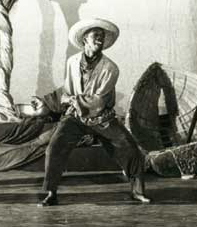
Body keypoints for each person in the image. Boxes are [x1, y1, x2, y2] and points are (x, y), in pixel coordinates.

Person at [31, 18, 151, 207]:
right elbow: (67, 90)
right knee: (54, 148)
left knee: (130, 148)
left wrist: (72, 100)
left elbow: (99, 100)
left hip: (102, 117)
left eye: (102, 37)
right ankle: (50, 193)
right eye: (96, 36)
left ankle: (137, 191)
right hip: (76, 117)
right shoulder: (72, 62)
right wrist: (46, 101)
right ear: (85, 39)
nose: (99, 40)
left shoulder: (111, 68)